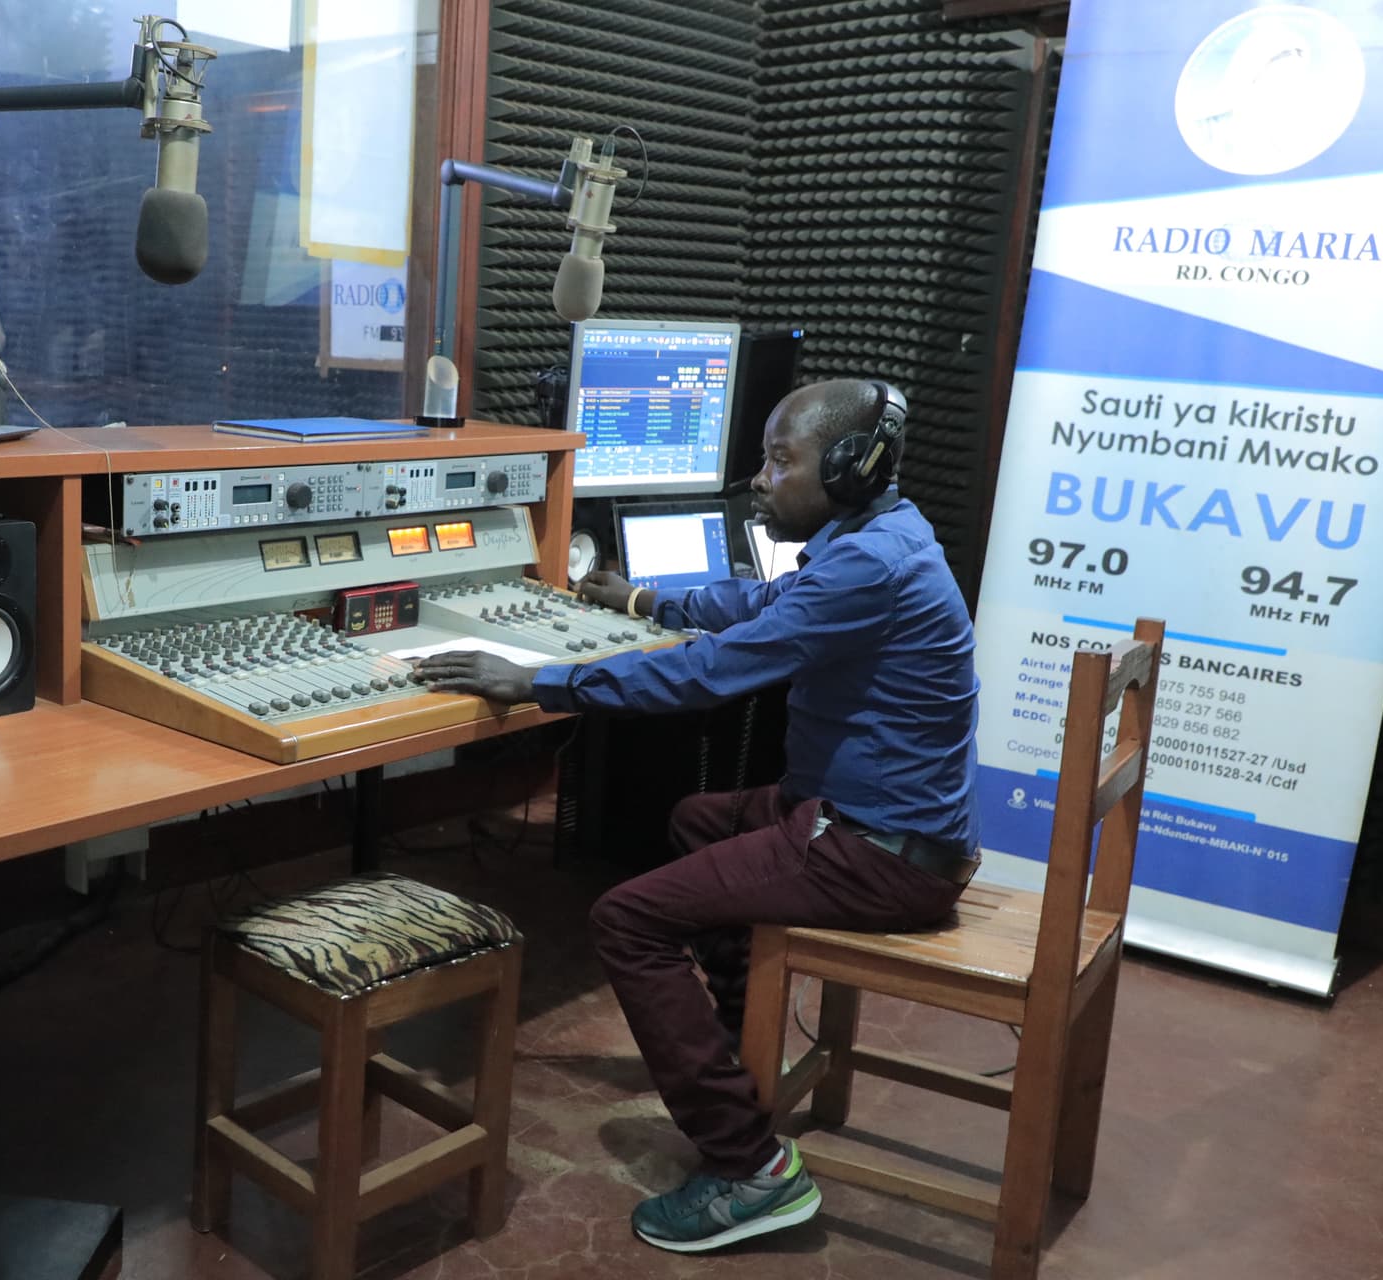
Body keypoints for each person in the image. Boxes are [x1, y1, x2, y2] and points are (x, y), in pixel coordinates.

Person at [412, 378, 980, 1253]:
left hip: (881, 853)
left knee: (626, 919)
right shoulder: (880, 534)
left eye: (780, 461)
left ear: (849, 468)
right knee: (697, 819)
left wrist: (540, 681)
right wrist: (645, 602)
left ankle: (750, 1168)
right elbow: (763, 606)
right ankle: (728, 1053)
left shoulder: (869, 563)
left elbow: (706, 675)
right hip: (867, 819)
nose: (760, 479)